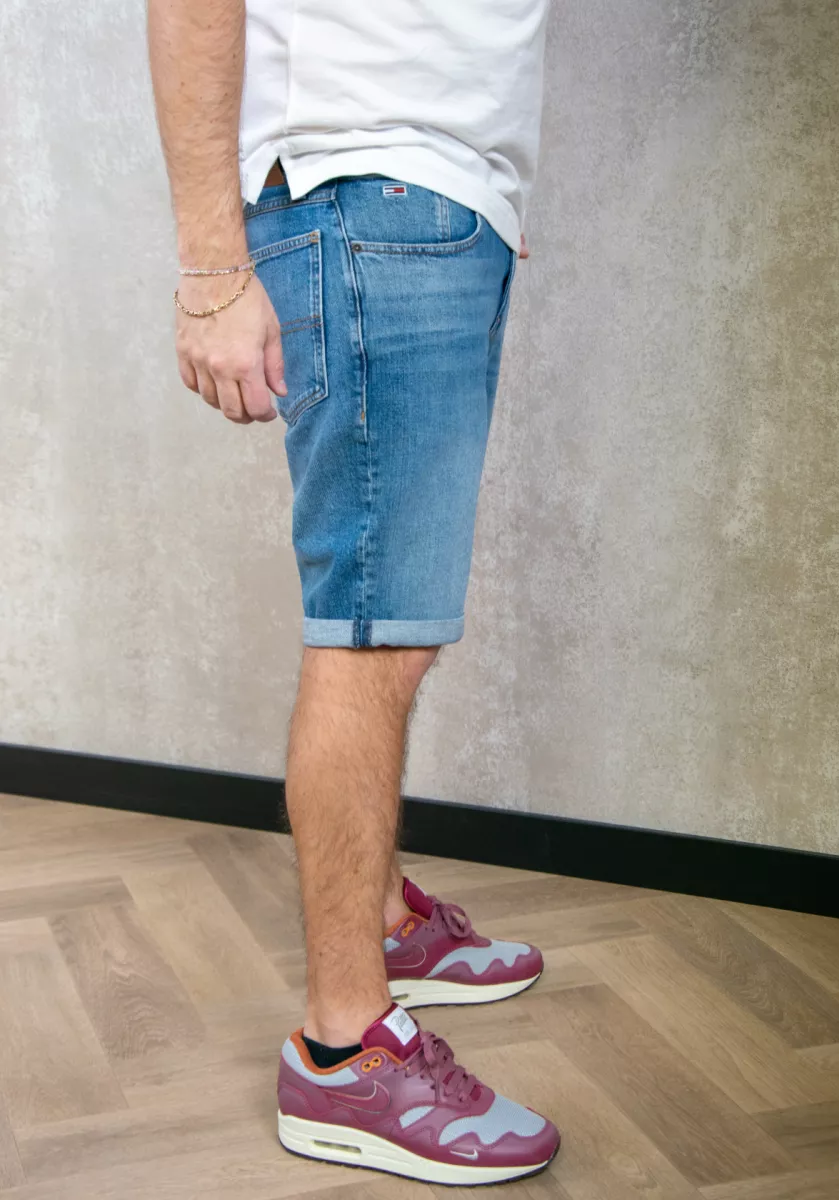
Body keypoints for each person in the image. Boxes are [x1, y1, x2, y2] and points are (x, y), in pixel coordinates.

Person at [147, 0, 559, 1185]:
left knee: (391, 627)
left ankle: (381, 924)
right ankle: (343, 1050)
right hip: (368, 193)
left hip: (428, 194)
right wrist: (210, 272)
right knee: (370, 635)